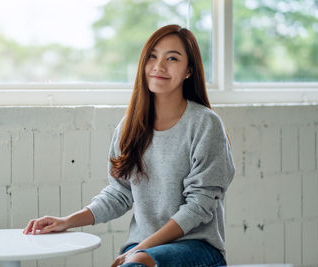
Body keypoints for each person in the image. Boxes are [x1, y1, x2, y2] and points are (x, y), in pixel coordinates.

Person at [23, 24, 235, 267]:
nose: (159, 66)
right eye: (152, 56)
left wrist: (141, 250)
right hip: (142, 246)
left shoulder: (205, 124)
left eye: (172, 58)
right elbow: (120, 192)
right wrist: (67, 221)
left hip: (196, 247)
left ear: (189, 70)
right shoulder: (129, 126)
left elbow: (199, 205)